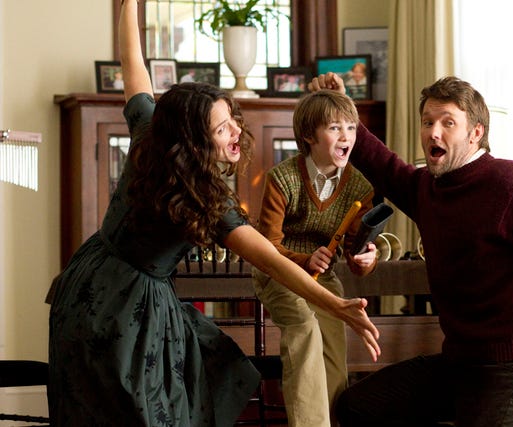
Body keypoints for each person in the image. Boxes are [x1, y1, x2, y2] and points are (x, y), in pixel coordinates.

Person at [45, 2, 380, 426]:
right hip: (125, 303)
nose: (237, 130)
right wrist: (336, 304)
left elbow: (134, 66)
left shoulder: (151, 134)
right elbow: (272, 261)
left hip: (88, 274)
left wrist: (129, 6)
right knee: (139, 406)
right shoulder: (210, 199)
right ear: (194, 141)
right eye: (223, 129)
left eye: (232, 120)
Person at [309, 73, 513, 427]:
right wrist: (341, 110)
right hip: (461, 365)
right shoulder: (426, 189)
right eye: (427, 122)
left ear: (476, 133)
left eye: (448, 122)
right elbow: (381, 163)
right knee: (357, 406)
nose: (433, 133)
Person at [252, 90, 379, 427]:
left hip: (324, 277)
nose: (346, 136)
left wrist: (366, 260)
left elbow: (354, 253)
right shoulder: (282, 179)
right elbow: (266, 248)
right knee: (304, 327)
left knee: (333, 346)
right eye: (335, 128)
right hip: (277, 272)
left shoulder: (359, 187)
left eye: (350, 128)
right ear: (309, 135)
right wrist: (305, 259)